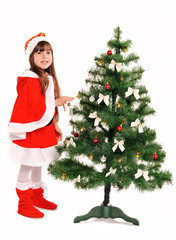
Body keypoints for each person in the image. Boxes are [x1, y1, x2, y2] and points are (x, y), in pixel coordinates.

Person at [8, 32, 74, 218]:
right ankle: (24, 203)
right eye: (39, 53)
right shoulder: (30, 79)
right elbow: (34, 107)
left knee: (39, 162)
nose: (45, 57)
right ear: (31, 57)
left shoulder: (45, 76)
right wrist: (57, 102)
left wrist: (55, 125)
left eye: (48, 53)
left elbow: (46, 105)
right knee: (28, 163)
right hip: (31, 130)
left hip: (42, 129)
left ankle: (37, 196)